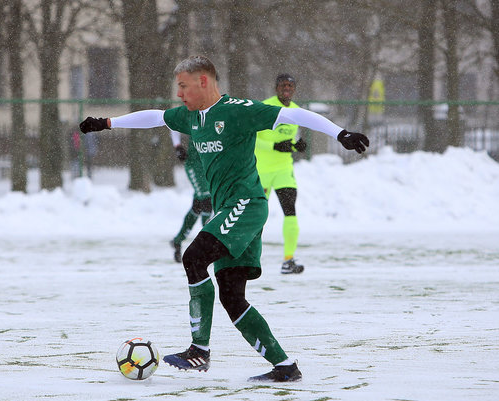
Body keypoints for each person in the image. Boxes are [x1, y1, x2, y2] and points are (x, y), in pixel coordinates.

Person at [79, 55, 369, 382]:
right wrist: (107, 123)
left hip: (246, 203)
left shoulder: (239, 111)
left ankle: (198, 351)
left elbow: (293, 113)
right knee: (232, 296)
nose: (179, 94)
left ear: (204, 82)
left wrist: (341, 133)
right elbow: (156, 117)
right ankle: (285, 367)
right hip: (232, 210)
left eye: (184, 86)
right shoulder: (190, 117)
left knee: (193, 257)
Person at [254, 73, 306, 274]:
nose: (287, 89)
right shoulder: (265, 107)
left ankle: (288, 260)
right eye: (283, 85)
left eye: (290, 86)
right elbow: (252, 137)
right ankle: (249, 258)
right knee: (257, 216)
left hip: (284, 170)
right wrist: (273, 146)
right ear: (276, 88)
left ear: (294, 89)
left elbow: (291, 142)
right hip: (262, 170)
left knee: (290, 211)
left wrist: (298, 146)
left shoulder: (296, 111)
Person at [170, 130, 212, 263]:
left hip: (209, 164)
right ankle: (206, 246)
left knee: (198, 206)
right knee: (207, 202)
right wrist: (177, 145)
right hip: (195, 165)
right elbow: (170, 122)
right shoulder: (191, 112)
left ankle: (178, 241)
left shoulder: (217, 111)